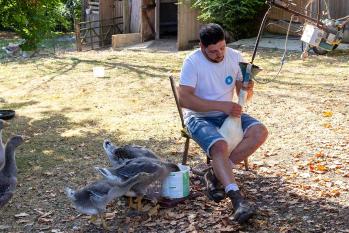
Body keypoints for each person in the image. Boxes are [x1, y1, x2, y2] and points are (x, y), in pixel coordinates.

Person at [178, 23, 268, 224]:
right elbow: (184, 99)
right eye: (213, 51)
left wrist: (247, 88)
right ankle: (237, 200)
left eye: (222, 48)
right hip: (198, 116)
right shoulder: (192, 62)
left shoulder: (235, 56)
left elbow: (243, 95)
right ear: (202, 47)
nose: (219, 54)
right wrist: (222, 106)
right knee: (220, 146)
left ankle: (215, 173)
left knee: (260, 132)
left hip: (228, 113)